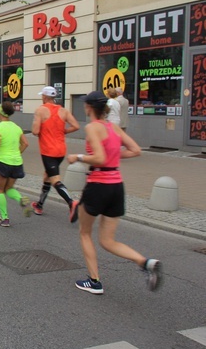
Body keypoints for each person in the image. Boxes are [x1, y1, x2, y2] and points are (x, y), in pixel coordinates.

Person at [66, 91, 161, 295]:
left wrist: (78, 157)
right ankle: (145, 263)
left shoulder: (92, 127)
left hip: (98, 184)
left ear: (89, 107)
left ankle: (94, 281)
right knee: (108, 241)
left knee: (84, 233)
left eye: (85, 105)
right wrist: (113, 156)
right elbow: (136, 150)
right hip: (116, 185)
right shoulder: (114, 128)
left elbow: (98, 158)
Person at [30, 86, 80, 222]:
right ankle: (39, 205)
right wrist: (64, 131)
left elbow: (35, 131)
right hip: (61, 150)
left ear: (45, 97)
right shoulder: (63, 110)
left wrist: (40, 128)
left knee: (54, 179)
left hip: (48, 151)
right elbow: (76, 126)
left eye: (42, 96)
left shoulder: (40, 110)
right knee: (47, 176)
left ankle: (71, 203)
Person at [0, 101, 30, 227]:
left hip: (3, 162)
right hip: (16, 162)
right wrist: (17, 153)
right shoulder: (17, 127)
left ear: (0, 112)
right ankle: (21, 200)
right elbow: (25, 143)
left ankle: (4, 218)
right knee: (8, 188)